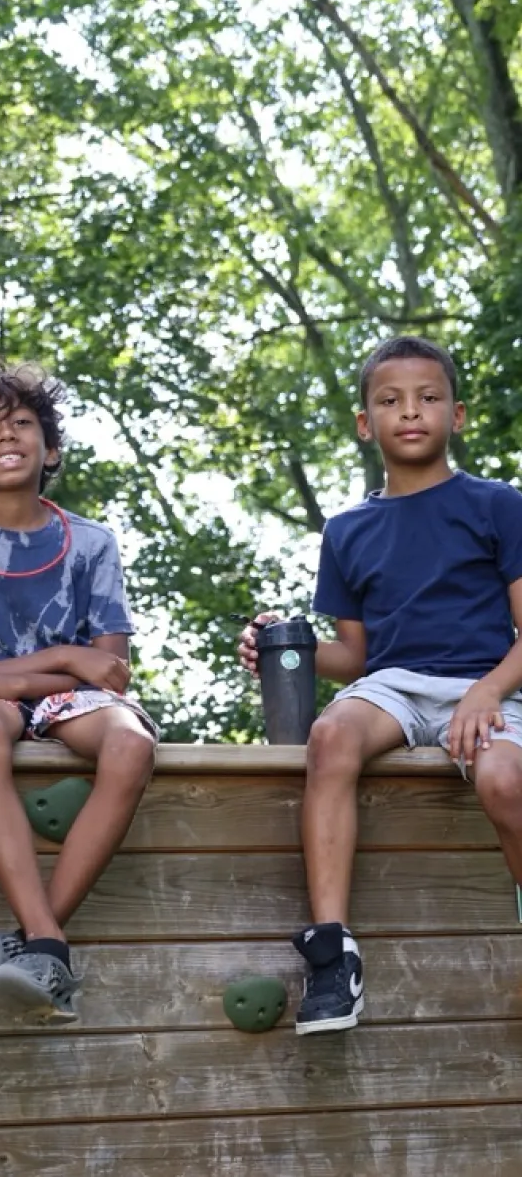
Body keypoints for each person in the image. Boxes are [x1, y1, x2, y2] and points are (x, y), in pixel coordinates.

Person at [239, 335, 522, 1036]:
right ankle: (334, 955)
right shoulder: (347, 530)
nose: (411, 412)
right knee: (331, 734)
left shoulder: (498, 505)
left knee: (504, 779)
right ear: (366, 424)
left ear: (457, 415)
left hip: (490, 682)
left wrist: (487, 692)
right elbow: (357, 656)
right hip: (394, 686)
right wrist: (287, 649)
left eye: (429, 398)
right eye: (392, 401)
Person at [0, 358, 157, 1023]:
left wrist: (11, 672)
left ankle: (35, 941)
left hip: (55, 696)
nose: (6, 435)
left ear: (51, 449)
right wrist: (62, 659)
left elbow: (111, 672)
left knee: (131, 743)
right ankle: (47, 944)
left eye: (20, 422)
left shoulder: (91, 544)